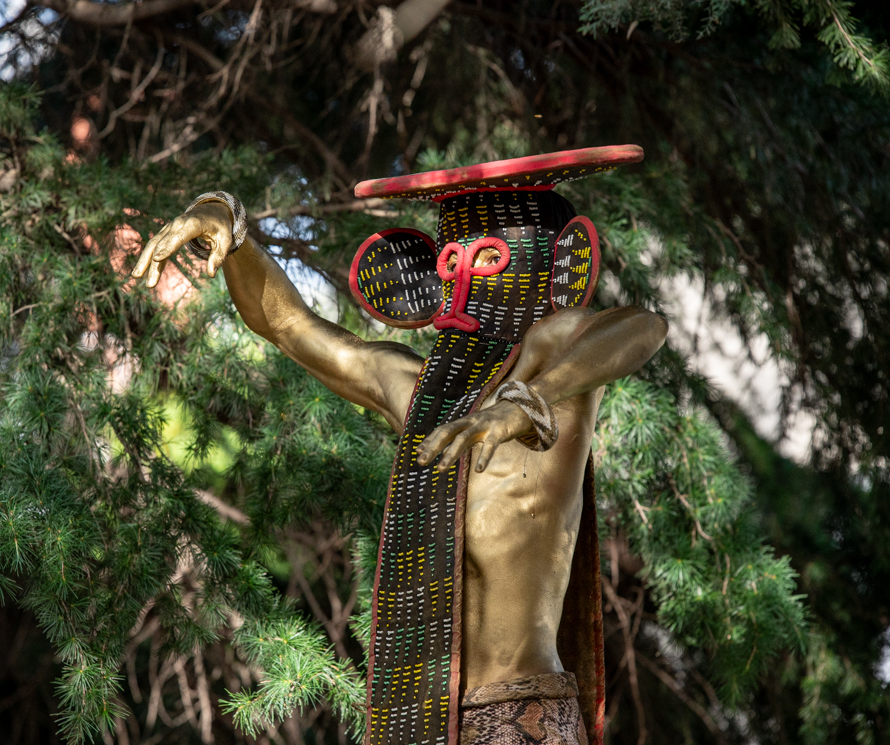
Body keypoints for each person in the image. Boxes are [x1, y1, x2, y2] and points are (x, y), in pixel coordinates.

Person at [131, 147, 667, 745]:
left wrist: (525, 404)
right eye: (451, 260)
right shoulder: (416, 391)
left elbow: (644, 327)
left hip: (524, 715)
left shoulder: (556, 350)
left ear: (544, 263)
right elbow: (288, 325)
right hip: (423, 723)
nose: (463, 279)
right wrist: (227, 227)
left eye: (486, 259)